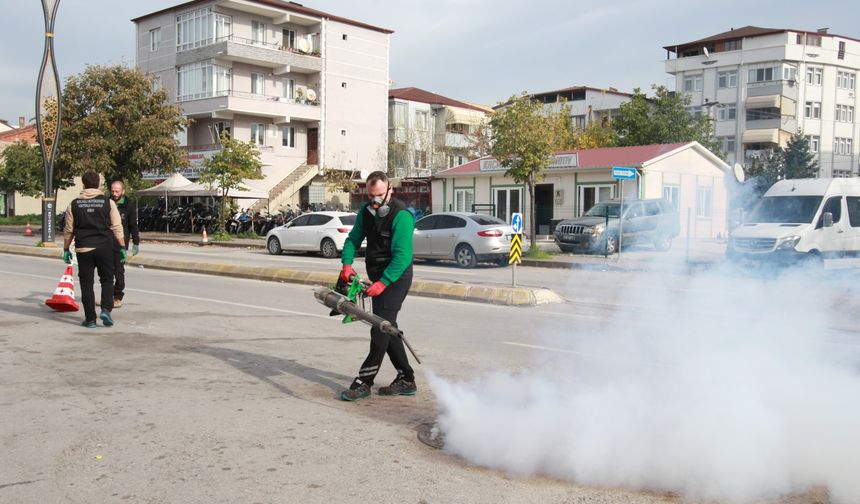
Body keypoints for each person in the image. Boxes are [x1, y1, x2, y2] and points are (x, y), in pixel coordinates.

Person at [339, 171, 416, 401]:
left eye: (380, 195)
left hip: (396, 277)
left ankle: (364, 382)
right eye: (371, 195)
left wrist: (383, 283)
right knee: (388, 326)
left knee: (379, 327)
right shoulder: (366, 212)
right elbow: (353, 239)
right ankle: (406, 379)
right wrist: (346, 264)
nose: (375, 201)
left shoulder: (401, 216)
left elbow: (402, 257)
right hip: (378, 276)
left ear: (390, 190)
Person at [63, 171, 126, 328]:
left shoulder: (74, 204)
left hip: (84, 248)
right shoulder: (108, 203)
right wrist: (122, 246)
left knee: (86, 284)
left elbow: (69, 230)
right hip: (105, 247)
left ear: (83, 184)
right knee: (107, 280)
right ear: (98, 184)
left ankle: (90, 319)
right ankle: (106, 310)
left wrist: (66, 249)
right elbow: (117, 227)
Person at [109, 179, 140, 308]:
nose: (115, 194)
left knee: (118, 271)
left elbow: (133, 225)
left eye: (117, 191)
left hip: (120, 244)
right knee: (106, 272)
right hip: (106, 242)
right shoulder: (107, 203)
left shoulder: (129, 206)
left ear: (123, 191)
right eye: (112, 191)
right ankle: (107, 296)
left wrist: (136, 242)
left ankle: (117, 297)